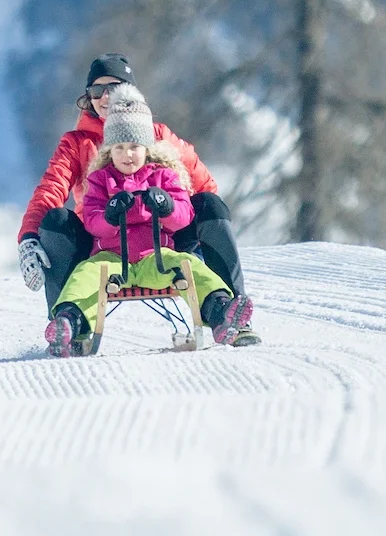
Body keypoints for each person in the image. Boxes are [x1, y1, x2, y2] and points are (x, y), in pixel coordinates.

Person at [17, 53, 260, 346]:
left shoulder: (158, 137)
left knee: (210, 204)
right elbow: (50, 190)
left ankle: (230, 317)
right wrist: (29, 237)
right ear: (88, 97)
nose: (105, 97)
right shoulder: (78, 143)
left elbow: (204, 185)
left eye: (114, 87)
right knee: (56, 221)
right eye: (97, 91)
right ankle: (69, 328)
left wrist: (171, 210)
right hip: (103, 241)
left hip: (161, 239)